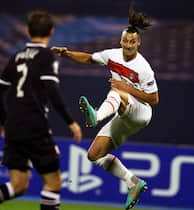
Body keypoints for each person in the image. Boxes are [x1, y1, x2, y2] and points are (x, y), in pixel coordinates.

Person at [0, 10, 82, 210]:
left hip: (14, 127)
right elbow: (52, 90)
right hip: (35, 126)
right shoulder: (47, 56)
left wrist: (4, 123)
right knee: (53, 183)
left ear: (28, 32)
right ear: (52, 32)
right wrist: (70, 121)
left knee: (18, 185)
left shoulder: (17, 56)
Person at [51, 5, 159, 210]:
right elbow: (89, 58)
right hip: (123, 114)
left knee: (116, 91)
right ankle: (133, 183)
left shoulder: (144, 68)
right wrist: (65, 53)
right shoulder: (112, 55)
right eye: (126, 41)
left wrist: (126, 87)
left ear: (139, 43)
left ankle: (96, 116)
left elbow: (154, 99)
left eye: (132, 42)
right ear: (121, 41)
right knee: (94, 155)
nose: (128, 45)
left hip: (142, 113)